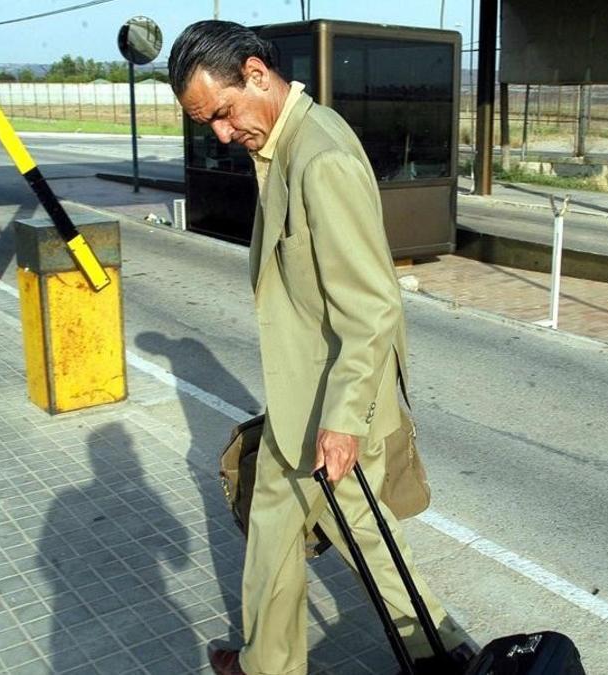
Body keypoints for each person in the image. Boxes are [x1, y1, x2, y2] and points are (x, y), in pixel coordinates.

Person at [168, 20, 474, 675]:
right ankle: (283, 661)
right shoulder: (283, 146)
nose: (220, 133)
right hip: (303, 396)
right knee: (305, 524)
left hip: (330, 400)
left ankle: (439, 650)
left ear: (256, 73)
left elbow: (372, 303)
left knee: (348, 526)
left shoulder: (319, 156)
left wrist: (341, 417)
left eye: (222, 113)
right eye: (208, 125)